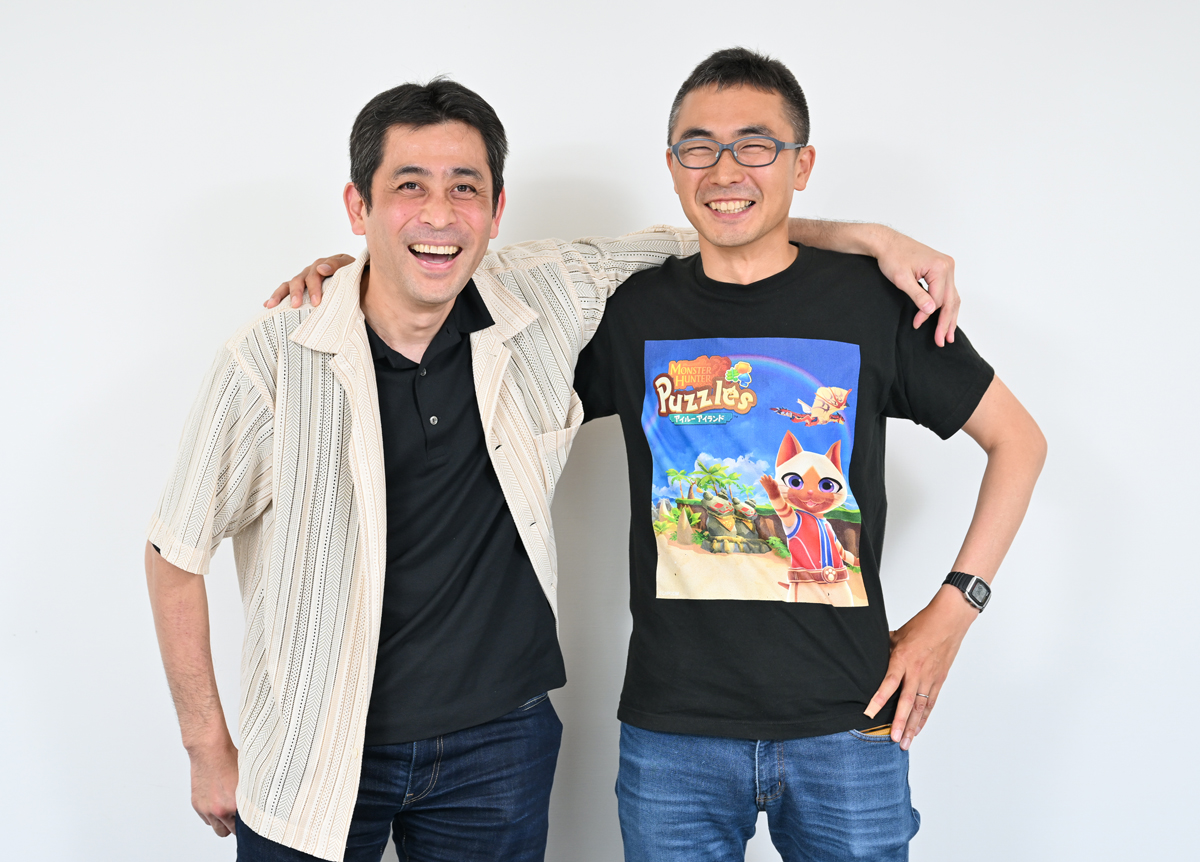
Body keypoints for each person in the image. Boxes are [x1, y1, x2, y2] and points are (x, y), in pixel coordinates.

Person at [147, 79, 962, 862]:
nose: (439, 214)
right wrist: (207, 747)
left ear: (497, 209)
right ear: (358, 207)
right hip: (315, 741)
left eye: (465, 188)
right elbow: (174, 553)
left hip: (498, 745)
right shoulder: (271, 359)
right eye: (408, 187)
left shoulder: (547, 298)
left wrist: (869, 239)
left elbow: (720, 227)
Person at [567, 48, 1047, 861]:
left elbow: (1019, 441)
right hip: (673, 731)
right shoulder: (629, 312)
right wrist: (357, 274)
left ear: (802, 164)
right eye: (699, 147)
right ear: (673, 167)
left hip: (848, 724)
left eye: (755, 145)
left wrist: (954, 612)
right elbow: (493, 305)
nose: (726, 168)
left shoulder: (874, 304)